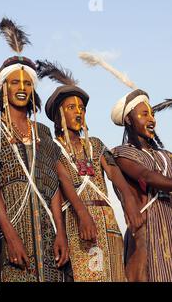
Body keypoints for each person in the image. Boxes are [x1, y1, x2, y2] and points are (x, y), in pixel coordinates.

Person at [0, 18, 95, 282]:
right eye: (14, 83)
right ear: (3, 88)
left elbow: (54, 184)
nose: (21, 88)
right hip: (15, 229)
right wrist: (9, 236)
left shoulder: (42, 131)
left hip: (48, 230)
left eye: (27, 83)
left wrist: (61, 233)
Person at [41, 60, 138, 281]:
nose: (78, 113)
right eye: (71, 108)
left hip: (108, 223)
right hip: (78, 223)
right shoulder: (52, 147)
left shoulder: (95, 144)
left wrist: (129, 201)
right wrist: (82, 216)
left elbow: (115, 175)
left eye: (82, 109)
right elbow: (62, 181)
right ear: (59, 114)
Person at [80, 51, 172, 281]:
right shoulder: (121, 154)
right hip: (146, 235)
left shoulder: (166, 155)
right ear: (129, 120)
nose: (151, 119)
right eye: (144, 114)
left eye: (152, 114)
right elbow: (147, 177)